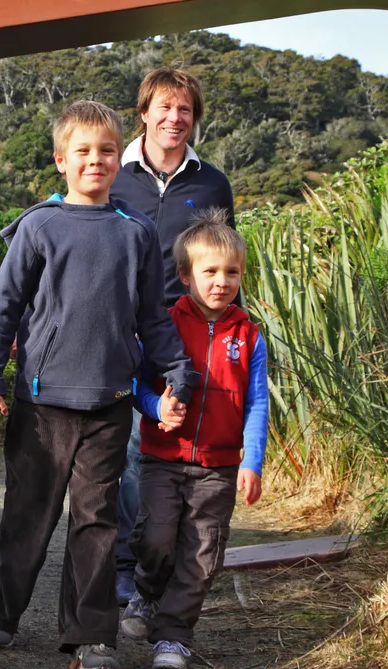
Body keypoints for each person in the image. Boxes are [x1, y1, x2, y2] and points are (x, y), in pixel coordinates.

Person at [0, 100, 197, 669]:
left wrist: (177, 374)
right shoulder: (39, 226)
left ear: (120, 158)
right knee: (29, 516)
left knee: (97, 521)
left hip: (110, 404)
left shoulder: (136, 232)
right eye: (84, 151)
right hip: (41, 404)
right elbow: (2, 309)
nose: (96, 160)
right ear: (60, 160)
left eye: (107, 151)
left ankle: (91, 635)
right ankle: (1, 614)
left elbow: (153, 318)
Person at [119, 209, 270, 669]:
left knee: (203, 553)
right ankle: (146, 590)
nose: (221, 282)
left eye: (232, 272)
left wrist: (252, 462)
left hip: (219, 467)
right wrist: (154, 407)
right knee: (158, 539)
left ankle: (173, 637)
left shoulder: (249, 337)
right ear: (185, 275)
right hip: (163, 458)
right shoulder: (163, 328)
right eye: (210, 271)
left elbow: (258, 403)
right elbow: (136, 385)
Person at [109, 67, 238, 604]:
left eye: (184, 109)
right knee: (120, 448)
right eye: (164, 107)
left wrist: (231, 333)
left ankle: (143, 565)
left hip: (180, 332)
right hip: (118, 325)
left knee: (155, 444)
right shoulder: (113, 174)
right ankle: (122, 563)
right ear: (144, 113)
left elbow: (223, 259)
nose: (174, 118)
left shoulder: (211, 182)